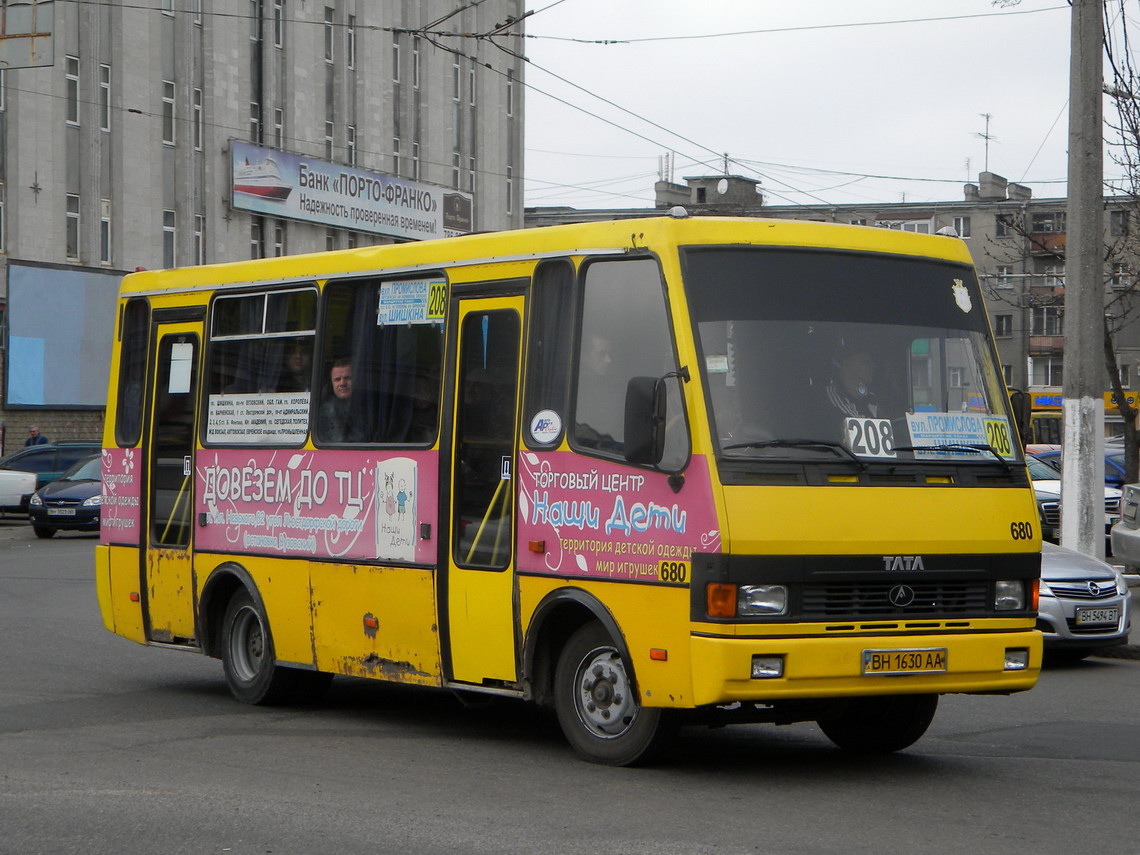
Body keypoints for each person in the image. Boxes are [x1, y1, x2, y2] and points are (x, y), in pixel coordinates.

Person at [826, 347, 880, 418]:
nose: (873, 366)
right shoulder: (834, 392)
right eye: (866, 361)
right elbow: (850, 424)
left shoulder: (872, 398)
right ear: (847, 365)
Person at [318, 359, 354, 441]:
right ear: (332, 383)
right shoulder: (327, 412)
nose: (342, 383)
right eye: (337, 379)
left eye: (347, 378)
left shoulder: (368, 407)